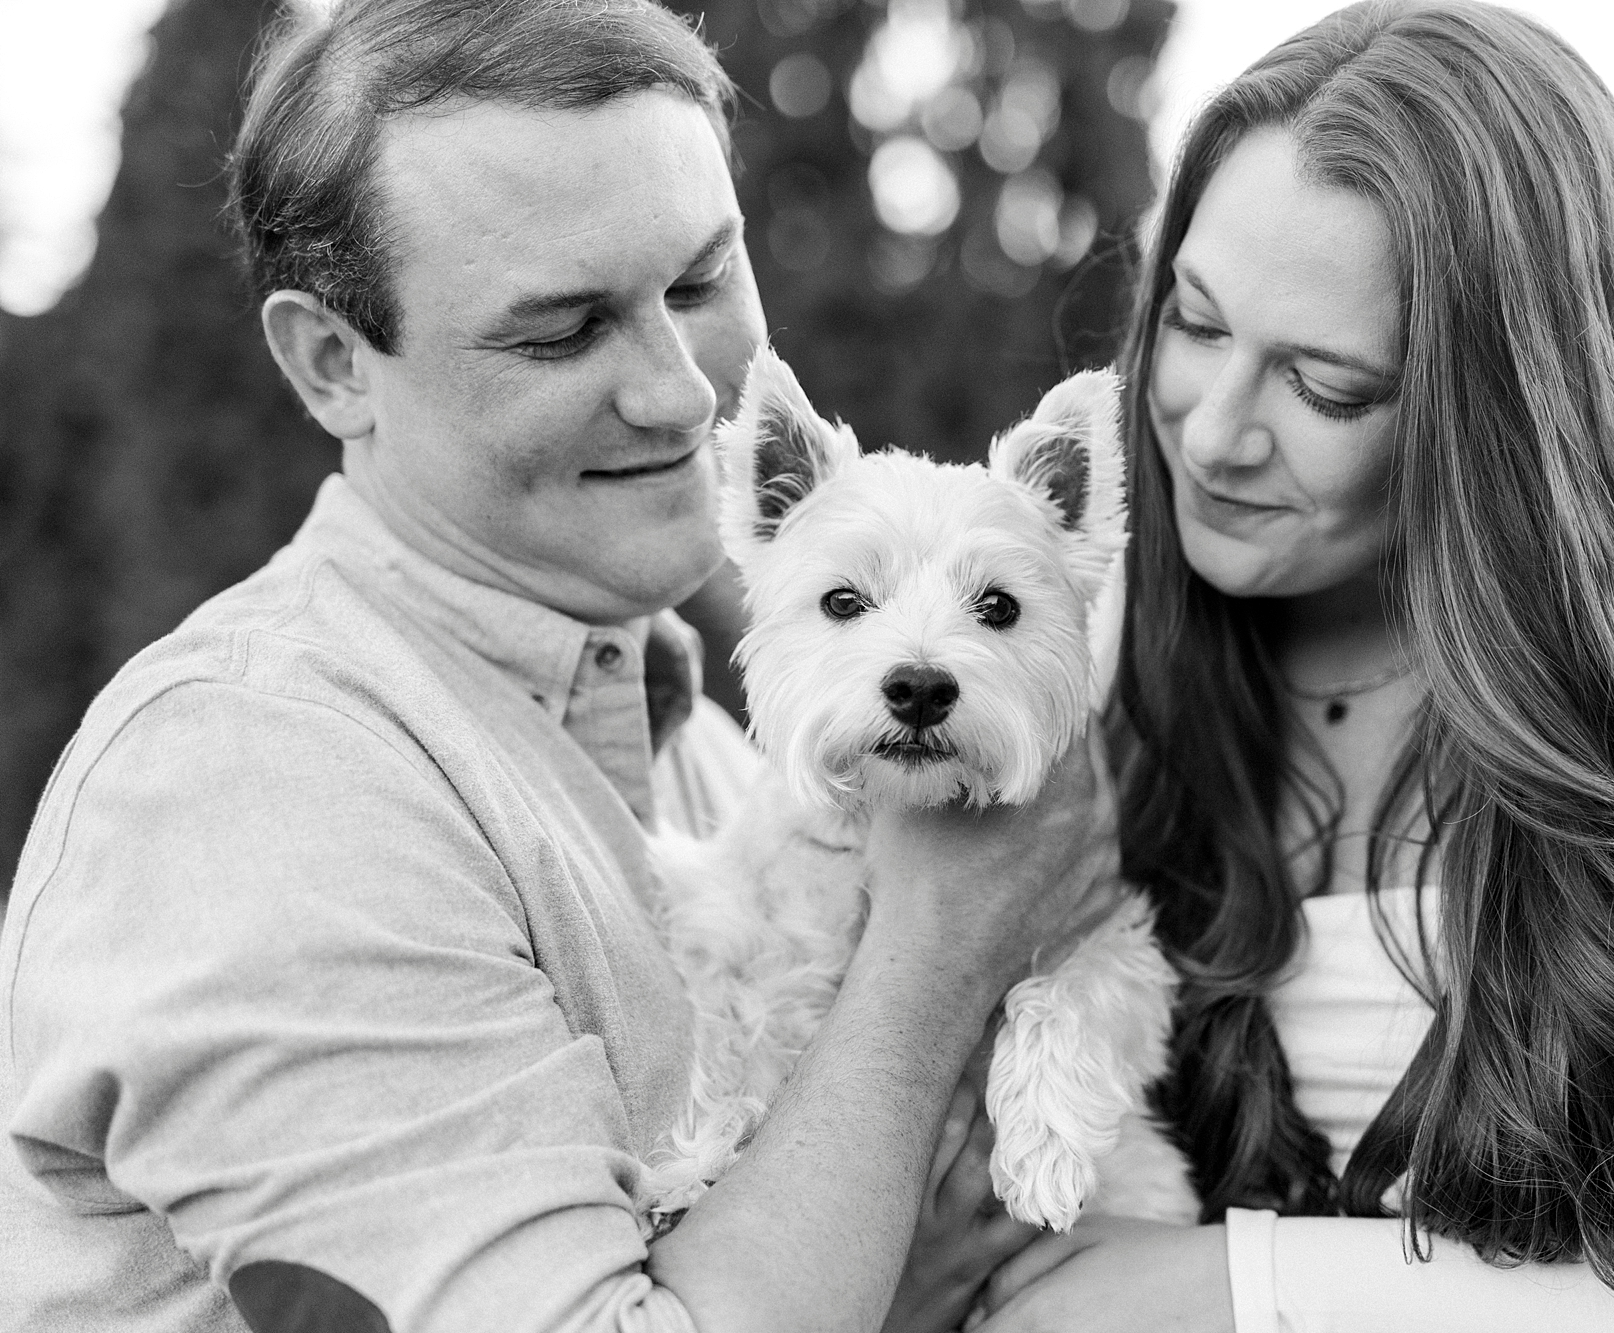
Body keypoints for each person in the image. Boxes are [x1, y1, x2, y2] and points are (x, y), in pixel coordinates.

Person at [0, 2, 1096, 1330]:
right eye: (564, 330)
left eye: (697, 283)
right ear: (334, 363)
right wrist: (941, 950)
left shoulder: (702, 745)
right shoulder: (257, 784)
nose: (685, 393)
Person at [969, 2, 1614, 1330]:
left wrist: (1247, 1288)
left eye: (1325, 387)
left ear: (1497, 412)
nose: (1211, 433)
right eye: (1196, 324)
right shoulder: (1085, 633)